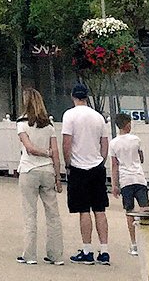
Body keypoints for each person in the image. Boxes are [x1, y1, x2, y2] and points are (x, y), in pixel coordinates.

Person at [61, 84, 112, 265]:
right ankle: (104, 250)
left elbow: (67, 142)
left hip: (78, 166)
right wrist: (101, 160)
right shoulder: (98, 117)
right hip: (96, 166)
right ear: (87, 97)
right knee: (100, 209)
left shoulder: (69, 115)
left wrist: (67, 164)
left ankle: (87, 249)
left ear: (73, 96)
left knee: (83, 209)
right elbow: (104, 143)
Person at [15, 88, 64, 265]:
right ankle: (56, 254)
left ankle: (29, 255)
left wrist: (45, 152)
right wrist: (58, 177)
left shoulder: (22, 123)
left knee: (30, 214)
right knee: (53, 215)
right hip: (48, 171)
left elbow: (29, 148)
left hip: (29, 170)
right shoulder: (49, 126)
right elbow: (56, 153)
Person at [109, 113, 149, 257]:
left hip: (125, 180)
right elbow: (141, 158)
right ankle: (146, 240)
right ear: (128, 125)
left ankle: (134, 244)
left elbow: (114, 165)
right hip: (139, 177)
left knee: (129, 211)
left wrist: (115, 185)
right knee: (144, 208)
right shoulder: (136, 139)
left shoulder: (113, 143)